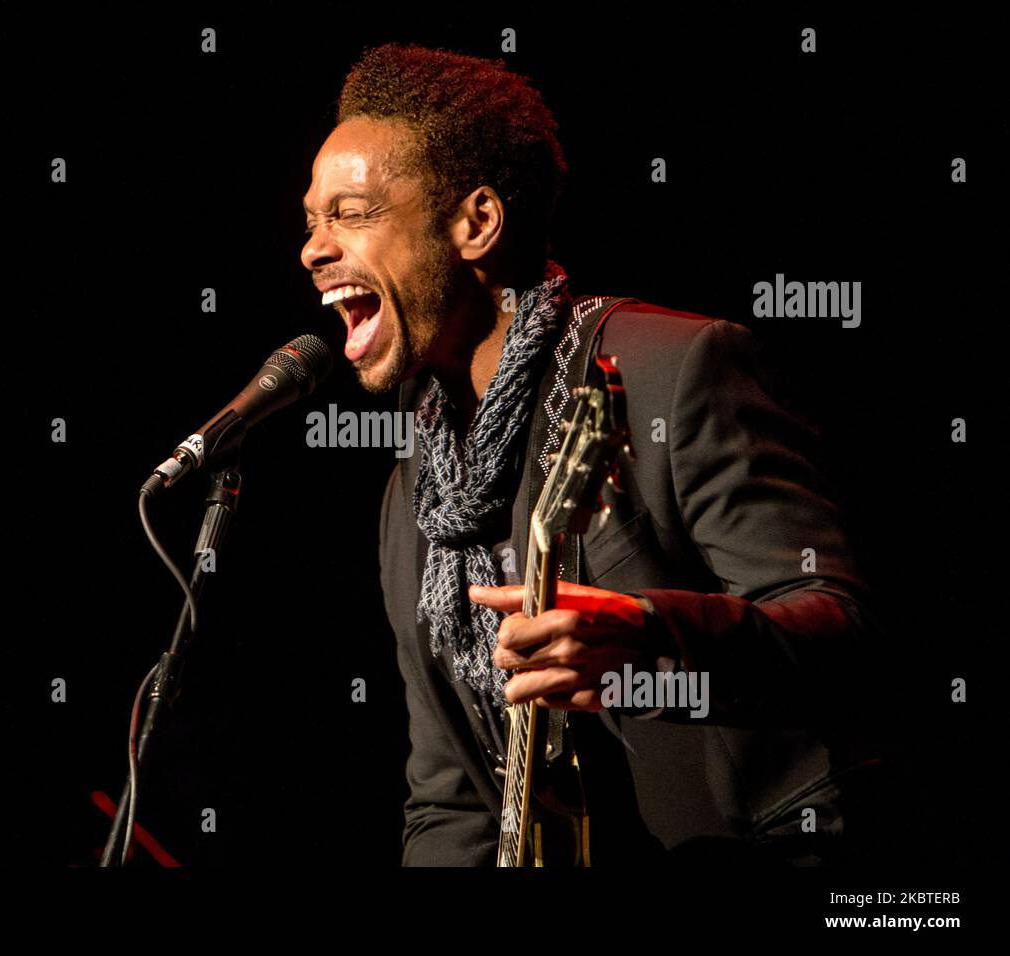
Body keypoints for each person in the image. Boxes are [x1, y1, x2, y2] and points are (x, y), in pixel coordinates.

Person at [299, 42, 897, 866]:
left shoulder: (671, 368)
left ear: (476, 222)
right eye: (312, 221)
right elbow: (450, 796)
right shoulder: (413, 497)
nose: (314, 249)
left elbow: (850, 634)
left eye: (351, 213)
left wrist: (657, 640)